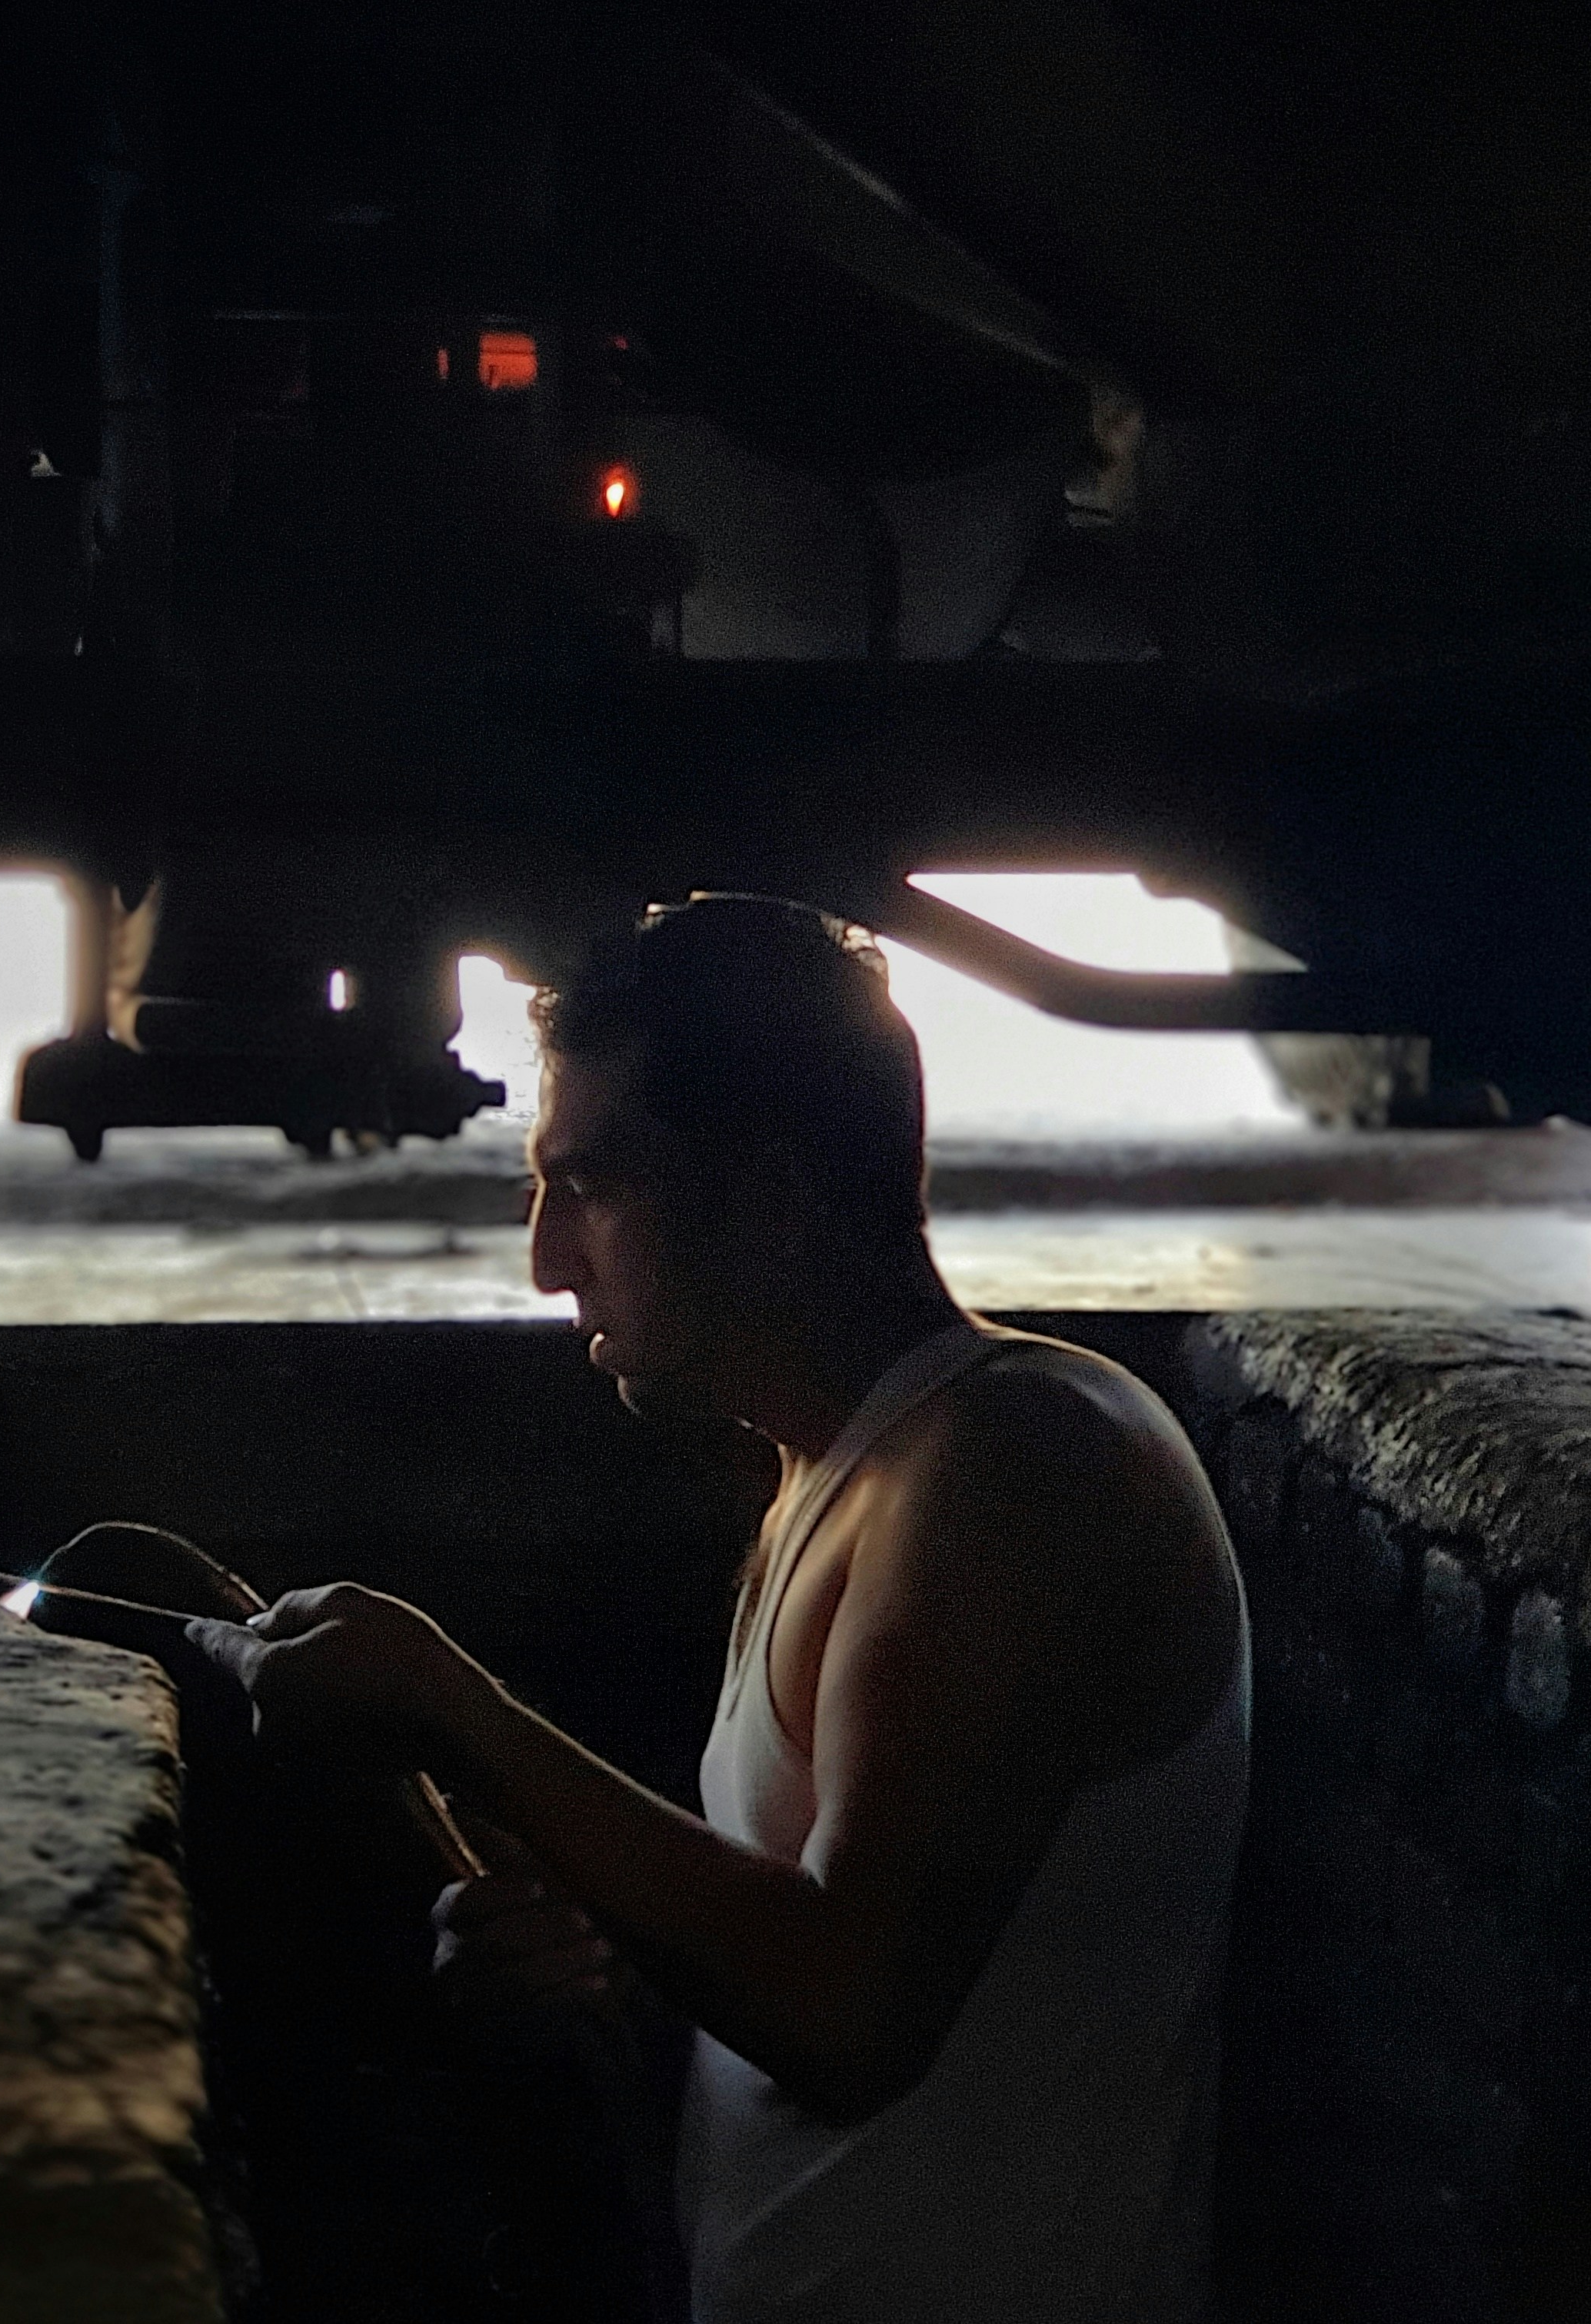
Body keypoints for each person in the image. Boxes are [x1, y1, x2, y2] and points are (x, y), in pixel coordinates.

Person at [188, 895, 1250, 2323]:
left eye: (595, 1184)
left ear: (773, 1198)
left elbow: (850, 2014)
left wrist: (461, 1713)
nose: (547, 1260)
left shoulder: (1017, 1469)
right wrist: (602, 1965)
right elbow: (799, 1971)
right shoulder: (835, 1469)